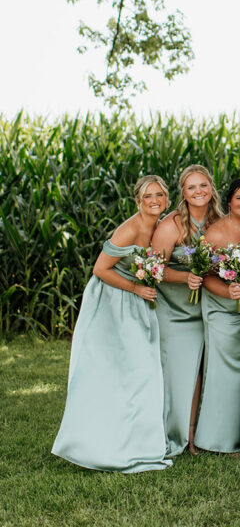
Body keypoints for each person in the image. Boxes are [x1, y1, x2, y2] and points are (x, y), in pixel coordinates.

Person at [52, 175, 172, 472]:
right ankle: (102, 443)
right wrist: (134, 288)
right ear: (137, 200)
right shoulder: (130, 228)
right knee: (119, 370)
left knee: (141, 371)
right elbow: (100, 268)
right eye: (148, 196)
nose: (154, 200)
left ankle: (139, 440)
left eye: (159, 195)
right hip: (112, 300)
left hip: (136, 299)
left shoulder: (162, 225)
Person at [152, 164, 222, 456]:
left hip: (211, 306)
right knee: (182, 373)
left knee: (205, 372)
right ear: (183, 192)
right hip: (176, 310)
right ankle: (178, 434)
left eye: (203, 186)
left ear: (211, 188)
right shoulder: (172, 224)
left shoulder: (220, 221)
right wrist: (184, 277)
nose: (198, 192)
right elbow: (153, 269)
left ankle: (197, 433)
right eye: (191, 187)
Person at [194, 177, 240, 454]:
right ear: (229, 201)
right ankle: (216, 438)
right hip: (221, 307)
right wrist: (226, 293)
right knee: (224, 371)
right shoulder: (216, 234)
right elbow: (203, 276)